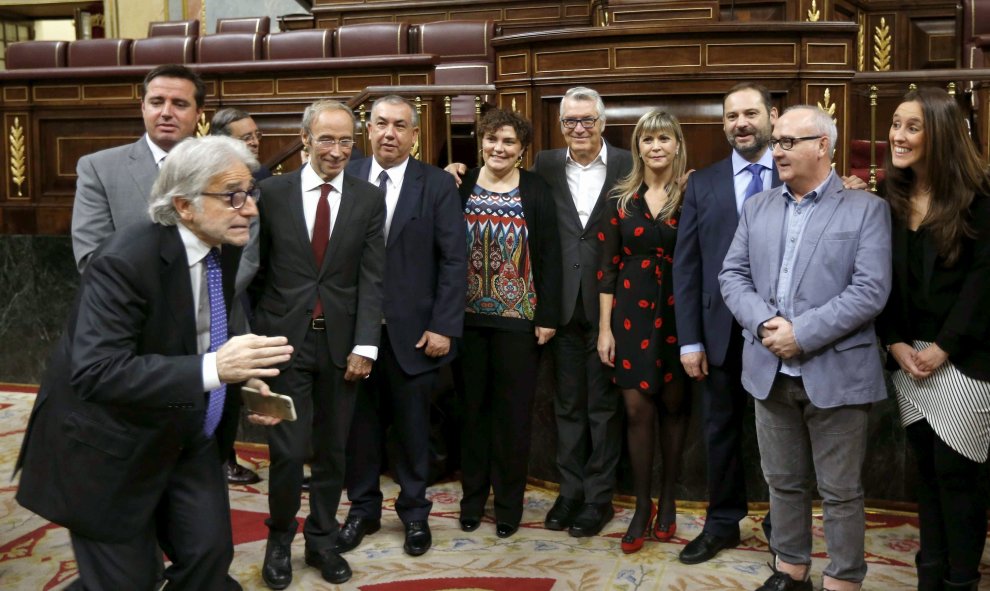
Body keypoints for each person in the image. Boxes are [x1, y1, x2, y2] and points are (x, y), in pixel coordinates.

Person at [14, 136, 293, 591]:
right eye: (232, 195)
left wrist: (238, 386)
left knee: (209, 557)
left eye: (252, 192)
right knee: (127, 582)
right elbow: (96, 371)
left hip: (185, 432)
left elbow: (194, 330)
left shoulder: (223, 240)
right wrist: (215, 369)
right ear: (183, 205)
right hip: (108, 447)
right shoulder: (123, 260)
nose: (251, 209)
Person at [674, 82, 866, 565]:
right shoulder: (703, 182)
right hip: (723, 333)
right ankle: (722, 522)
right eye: (731, 115)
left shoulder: (800, 172)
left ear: (771, 117)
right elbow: (690, 264)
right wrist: (690, 340)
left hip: (797, 338)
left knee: (787, 443)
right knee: (720, 432)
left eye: (750, 113)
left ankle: (784, 533)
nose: (741, 123)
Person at [719, 105, 892, 591]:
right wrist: (766, 322)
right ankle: (791, 571)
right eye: (776, 142)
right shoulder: (758, 207)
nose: (777, 150)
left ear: (823, 145)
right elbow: (732, 275)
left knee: (841, 492)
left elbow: (870, 291)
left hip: (836, 375)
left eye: (789, 142)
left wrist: (803, 333)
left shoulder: (867, 209)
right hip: (769, 371)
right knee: (782, 483)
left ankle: (843, 580)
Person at [250, 99, 385, 589]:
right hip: (282, 346)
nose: (337, 150)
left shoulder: (368, 200)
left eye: (346, 140)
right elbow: (254, 274)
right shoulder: (272, 194)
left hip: (342, 347)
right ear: (305, 139)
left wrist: (367, 345)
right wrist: (253, 342)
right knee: (287, 452)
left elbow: (373, 279)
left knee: (333, 453)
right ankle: (280, 538)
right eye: (326, 139)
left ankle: (322, 540)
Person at [336, 95, 466, 557]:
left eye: (400, 126)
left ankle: (414, 513)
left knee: (414, 433)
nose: (389, 133)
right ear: (367, 131)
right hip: (354, 334)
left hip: (415, 333)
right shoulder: (345, 177)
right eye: (381, 124)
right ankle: (362, 510)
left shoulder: (435, 185)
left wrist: (444, 326)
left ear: (414, 135)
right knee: (360, 432)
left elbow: (454, 260)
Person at [877, 87, 990, 591]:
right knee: (926, 472)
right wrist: (894, 342)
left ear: (939, 133)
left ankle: (961, 580)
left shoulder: (980, 196)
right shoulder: (889, 196)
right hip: (910, 359)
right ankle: (931, 576)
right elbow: (882, 282)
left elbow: (984, 283)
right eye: (896, 124)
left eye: (911, 127)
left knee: (958, 478)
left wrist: (944, 345)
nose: (897, 136)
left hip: (966, 358)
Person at [456, 108, 561, 538]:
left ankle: (509, 507)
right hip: (465, 320)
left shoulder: (536, 188)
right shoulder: (459, 183)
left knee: (513, 418)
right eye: (492, 140)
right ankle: (472, 500)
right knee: (472, 415)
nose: (499, 149)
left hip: (519, 321)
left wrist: (548, 315)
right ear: (481, 142)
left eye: (509, 143)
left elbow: (551, 255)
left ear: (522, 150)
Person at [597, 110, 690, 554]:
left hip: (679, 313)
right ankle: (641, 506)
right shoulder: (620, 198)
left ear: (676, 145)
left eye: (664, 138)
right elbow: (606, 270)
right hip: (629, 316)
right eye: (648, 139)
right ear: (638, 146)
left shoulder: (692, 194)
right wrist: (604, 330)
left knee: (674, 408)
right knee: (636, 411)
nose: (656, 146)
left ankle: (669, 499)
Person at [72, 64, 204, 272]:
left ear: (198, 113)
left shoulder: (225, 165)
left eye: (179, 104)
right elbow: (92, 254)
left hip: (214, 297)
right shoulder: (99, 169)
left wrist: (206, 288)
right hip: (135, 301)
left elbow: (245, 250)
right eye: (157, 102)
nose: (166, 113)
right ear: (143, 107)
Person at [210, 107, 273, 181]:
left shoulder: (262, 173)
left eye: (257, 135)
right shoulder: (209, 177)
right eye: (247, 138)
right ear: (224, 142)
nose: (256, 143)